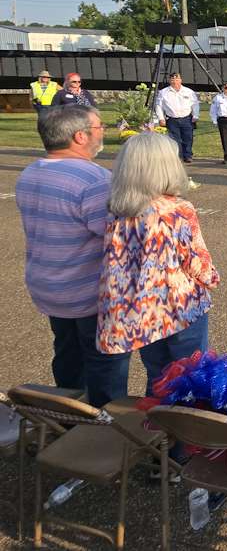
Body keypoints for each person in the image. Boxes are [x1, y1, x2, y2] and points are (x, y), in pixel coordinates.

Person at [14, 105, 129, 408]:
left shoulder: (31, 172)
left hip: (50, 287)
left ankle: (68, 411)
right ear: (80, 136)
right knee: (105, 361)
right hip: (87, 292)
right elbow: (116, 237)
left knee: (67, 353)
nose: (102, 131)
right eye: (99, 126)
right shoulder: (94, 179)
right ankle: (105, 426)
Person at [98, 132, 218, 395]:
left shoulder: (116, 210)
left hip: (142, 307)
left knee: (158, 374)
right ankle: (184, 431)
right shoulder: (178, 209)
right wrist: (211, 279)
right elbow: (196, 262)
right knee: (191, 375)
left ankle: (157, 428)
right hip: (181, 305)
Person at [155, 72, 200, 164]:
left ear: (180, 80)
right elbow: (158, 106)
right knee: (175, 139)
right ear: (169, 80)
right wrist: (161, 118)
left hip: (186, 119)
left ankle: (187, 156)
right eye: (172, 79)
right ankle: (177, 156)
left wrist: (195, 115)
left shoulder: (189, 91)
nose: (175, 81)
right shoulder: (163, 92)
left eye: (177, 79)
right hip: (172, 119)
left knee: (188, 138)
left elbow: (195, 104)